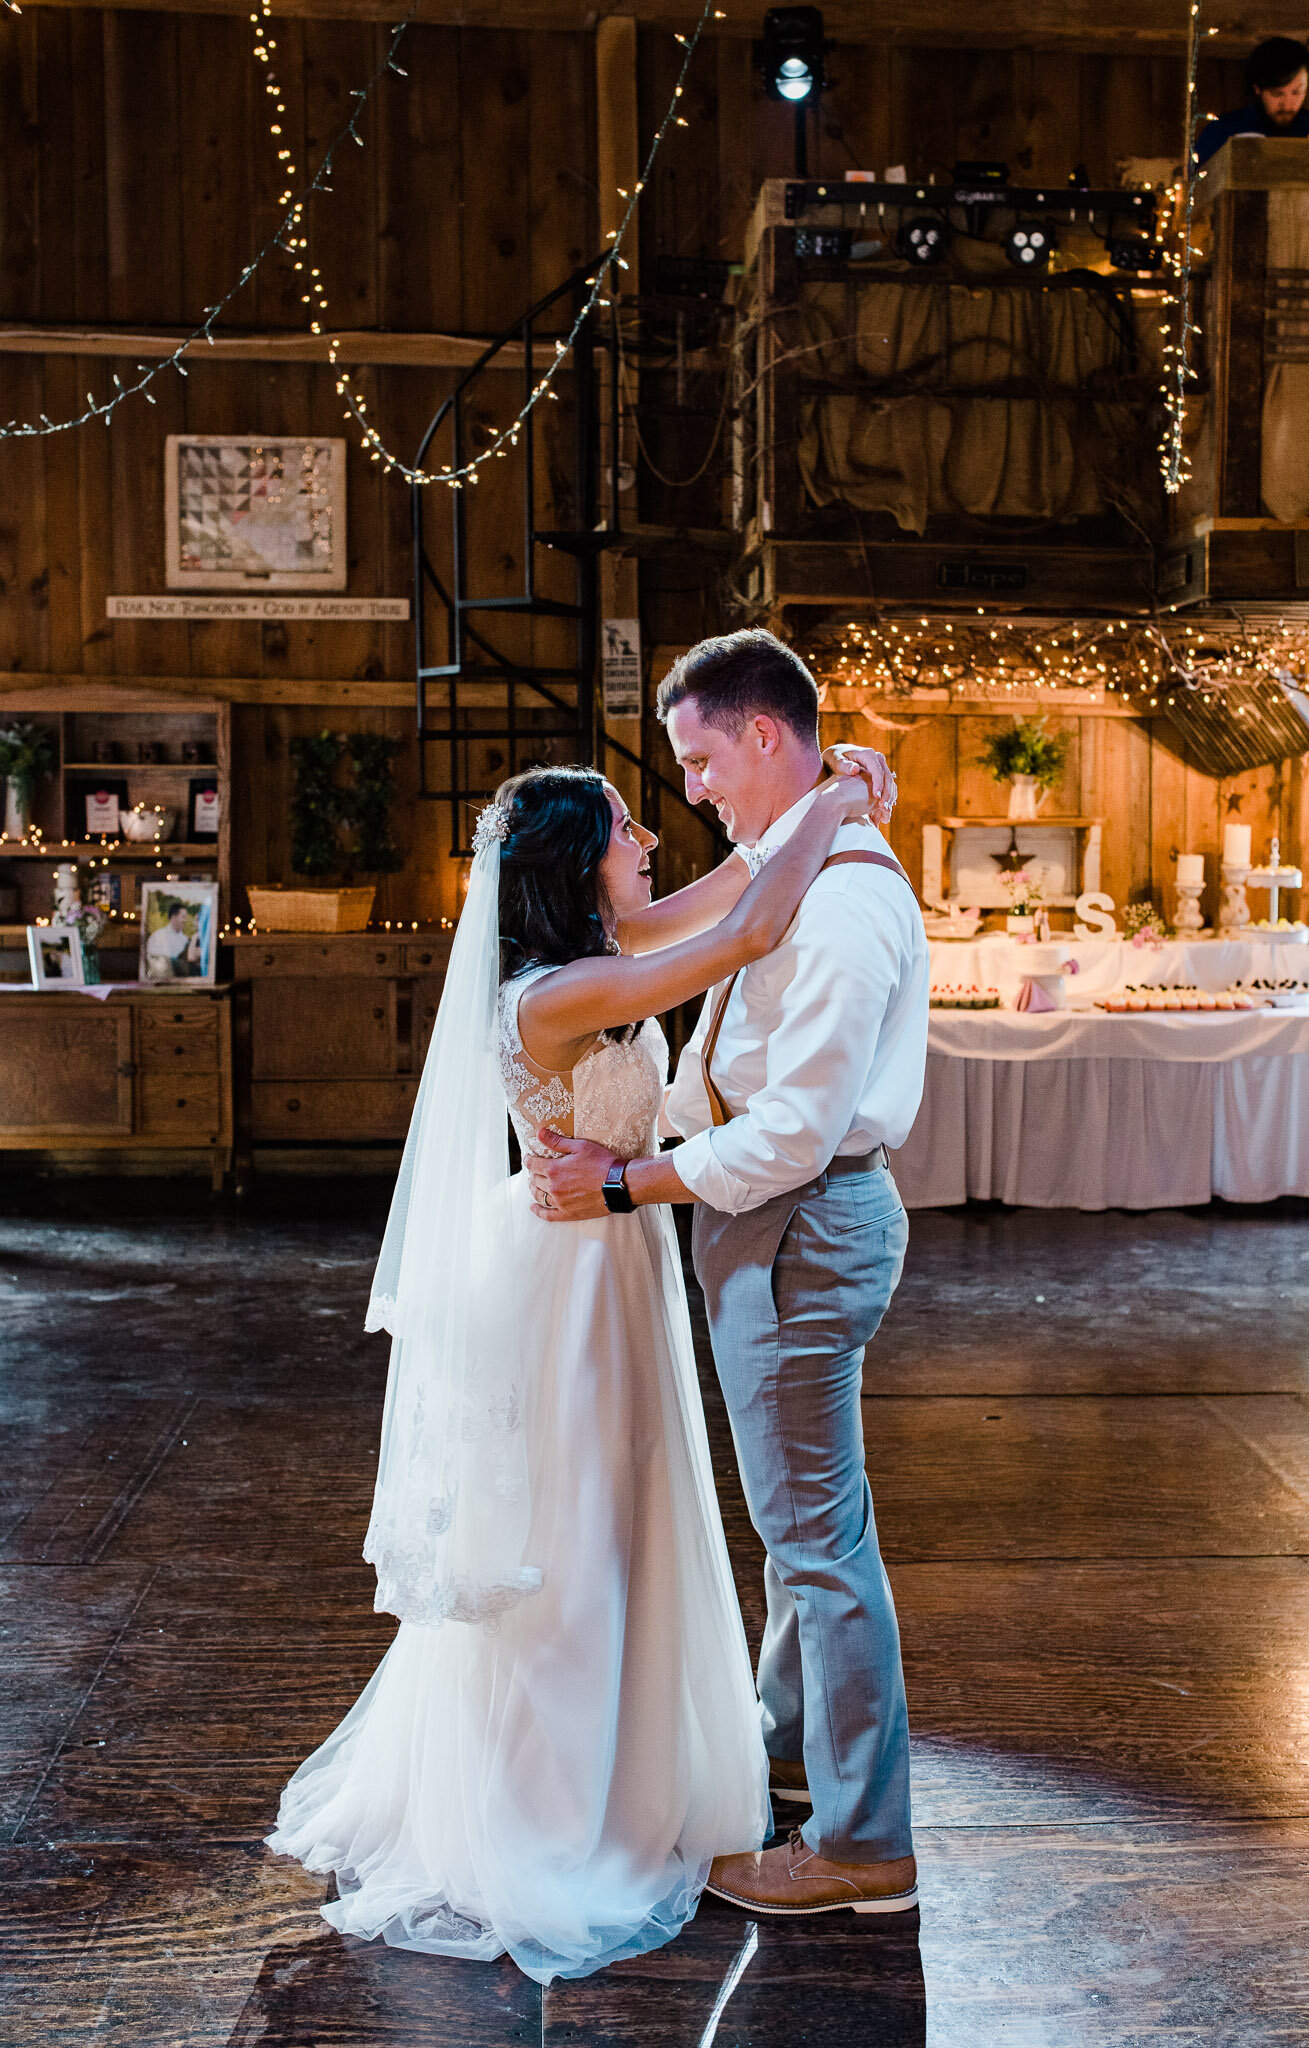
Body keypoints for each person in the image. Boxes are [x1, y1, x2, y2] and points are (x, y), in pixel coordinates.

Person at [266, 739, 895, 1982]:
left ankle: (637, 1763)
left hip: (613, 1255)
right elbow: (742, 934)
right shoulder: (552, 994)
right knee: (579, 1529)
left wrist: (811, 816)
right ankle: (558, 1809)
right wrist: (833, 800)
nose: (650, 838)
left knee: (630, 1509)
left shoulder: (594, 958)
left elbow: (726, 891)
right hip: (566, 1279)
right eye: (625, 824)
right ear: (572, 859)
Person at [529, 628, 930, 1919]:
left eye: (697, 758)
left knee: (819, 1542)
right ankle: (783, 1763)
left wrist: (618, 1183)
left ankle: (865, 1847)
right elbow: (686, 915)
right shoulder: (788, 860)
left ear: (761, 737)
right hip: (772, 1223)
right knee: (798, 1529)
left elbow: (788, 1136)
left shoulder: (846, 903)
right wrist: (838, 793)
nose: (686, 790)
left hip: (800, 1221)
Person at [1194, 37, 1309, 167]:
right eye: (1277, 94)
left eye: (1296, 92)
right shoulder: (1224, 129)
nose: (1288, 104)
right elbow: (1194, 180)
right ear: (1258, 89)